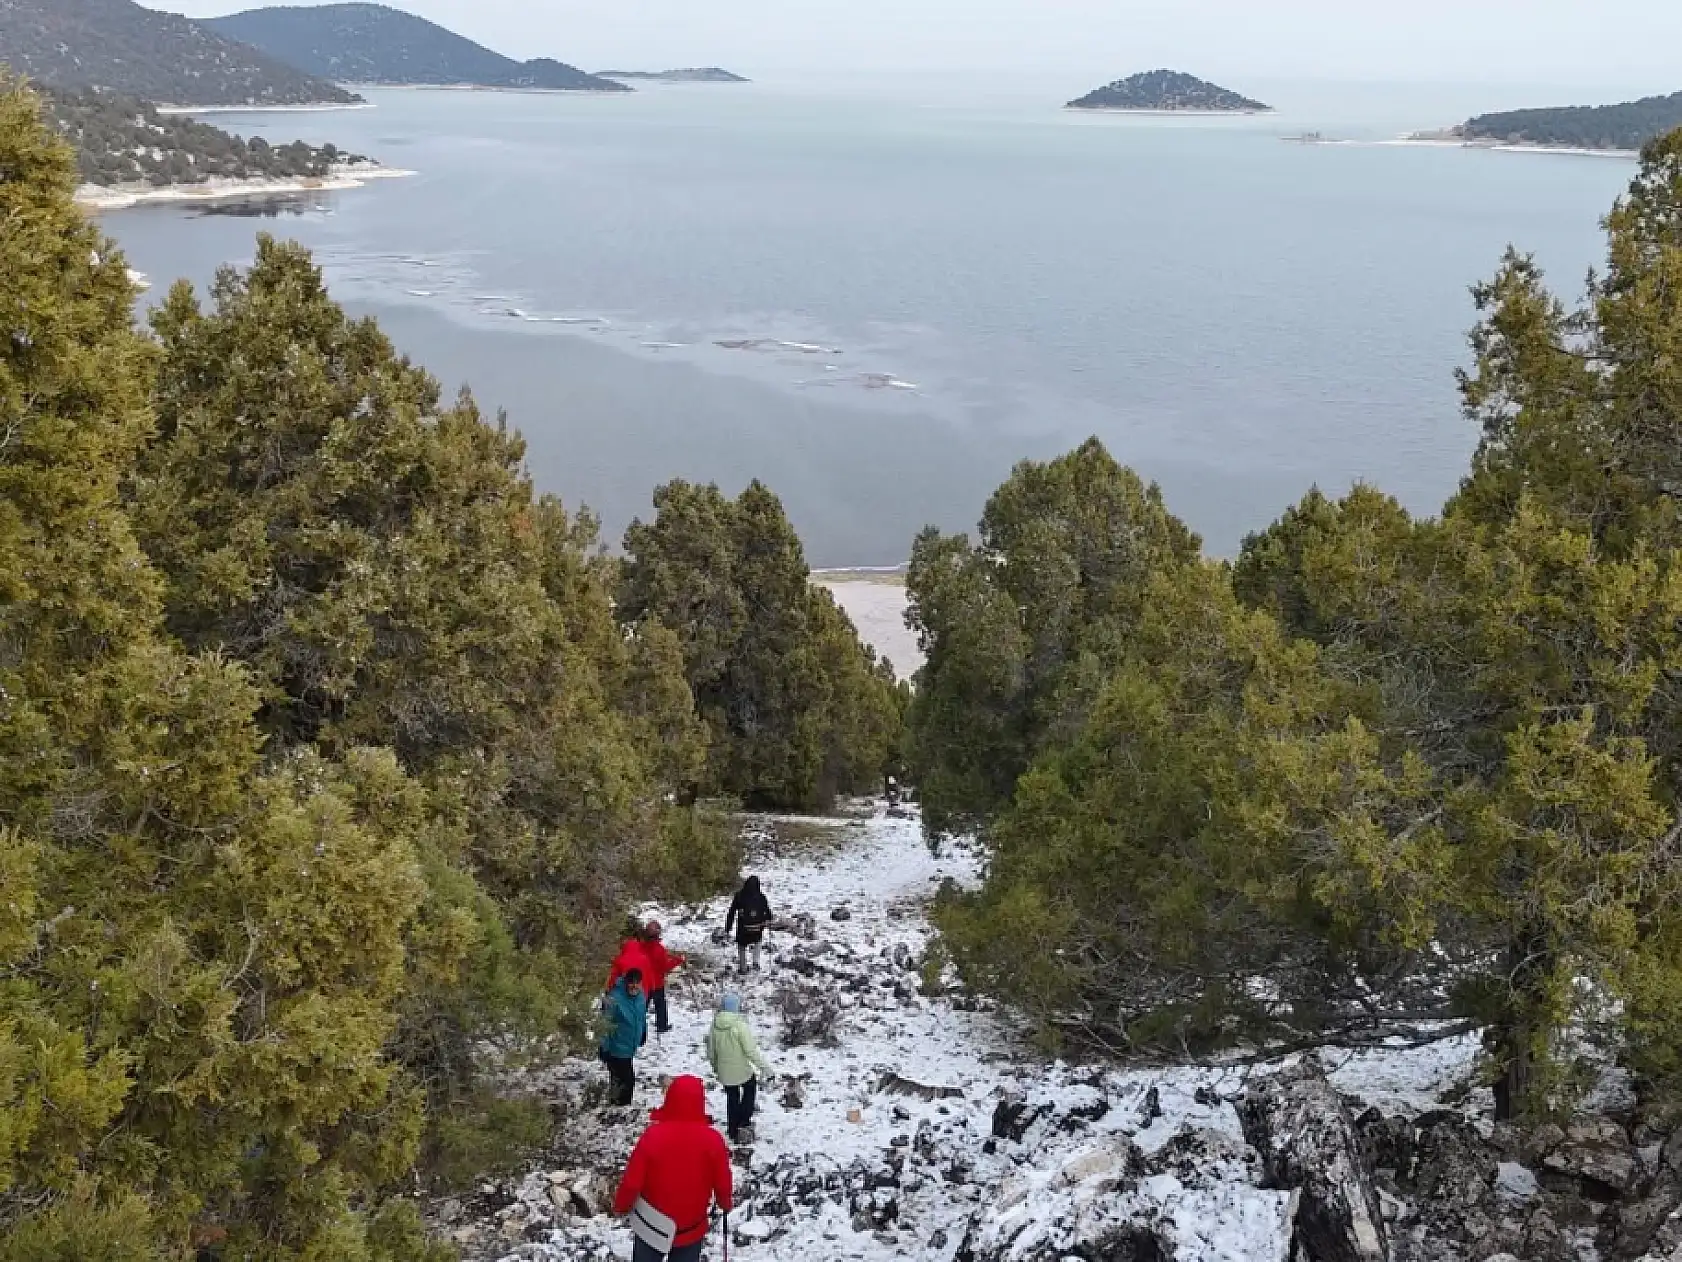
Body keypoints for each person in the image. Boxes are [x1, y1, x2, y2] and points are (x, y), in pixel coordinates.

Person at [612, 1075, 733, 1262]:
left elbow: (632, 1182)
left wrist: (621, 1206)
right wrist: (725, 1203)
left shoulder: (653, 1136)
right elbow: (723, 1183)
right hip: (691, 1228)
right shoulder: (713, 1141)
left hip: (651, 1225)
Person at [704, 993, 773, 1145]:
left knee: (732, 1096)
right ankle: (744, 1121)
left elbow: (711, 1051)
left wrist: (716, 1068)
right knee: (750, 1088)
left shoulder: (714, 1025)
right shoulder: (740, 1025)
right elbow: (750, 1051)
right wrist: (766, 1069)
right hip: (742, 1070)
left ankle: (733, 1128)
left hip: (724, 1072)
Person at [599, 968, 648, 1106]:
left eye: (637, 982)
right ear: (626, 982)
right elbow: (604, 1023)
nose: (634, 986)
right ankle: (620, 1106)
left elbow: (641, 1017)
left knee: (619, 1079)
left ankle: (617, 1105)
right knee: (627, 1080)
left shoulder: (640, 996)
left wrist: (643, 1031)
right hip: (616, 1047)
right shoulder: (614, 999)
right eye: (631, 982)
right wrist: (604, 1047)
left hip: (629, 1046)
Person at [638, 920, 686, 1036]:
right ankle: (662, 1026)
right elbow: (665, 967)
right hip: (657, 983)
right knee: (660, 1005)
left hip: (644, 982)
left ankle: (638, 1027)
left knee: (642, 1007)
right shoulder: (659, 949)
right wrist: (678, 960)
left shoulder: (641, 947)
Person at [725, 875, 772, 972]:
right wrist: (767, 922)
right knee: (758, 941)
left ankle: (743, 967)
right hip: (757, 929)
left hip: (743, 929)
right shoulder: (762, 897)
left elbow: (731, 913)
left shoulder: (739, 896)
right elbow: (768, 914)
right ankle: (756, 962)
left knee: (742, 945)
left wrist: (728, 927)